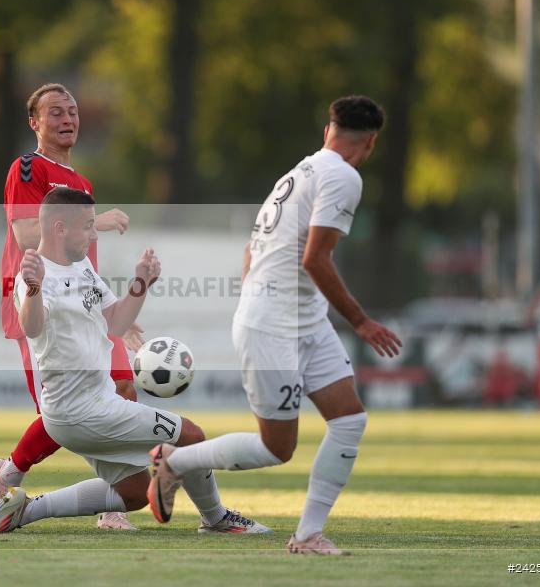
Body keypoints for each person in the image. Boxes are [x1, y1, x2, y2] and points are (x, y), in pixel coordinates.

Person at [146, 96, 401, 555]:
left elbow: (253, 246)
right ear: (372, 141)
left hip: (304, 319)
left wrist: (258, 294)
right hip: (274, 325)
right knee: (276, 448)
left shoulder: (301, 170)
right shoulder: (343, 177)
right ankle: (175, 461)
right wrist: (360, 322)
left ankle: (307, 536)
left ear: (329, 129)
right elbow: (315, 258)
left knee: (349, 421)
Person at [0, 188, 269, 535]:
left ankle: (25, 510)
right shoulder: (35, 274)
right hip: (82, 410)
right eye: (88, 227)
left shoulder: (79, 265)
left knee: (135, 493)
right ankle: (216, 518)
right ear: (59, 229)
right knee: (191, 436)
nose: (95, 234)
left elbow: (115, 321)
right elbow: (32, 325)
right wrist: (34, 290)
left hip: (89, 406)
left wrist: (141, 283)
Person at [0, 83, 143, 530]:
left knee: (122, 391)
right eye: (55, 112)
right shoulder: (28, 167)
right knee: (63, 413)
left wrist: (115, 315)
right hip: (40, 304)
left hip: (84, 306)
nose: (67, 119)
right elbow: (24, 235)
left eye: (72, 111)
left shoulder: (81, 182)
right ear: (34, 123)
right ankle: (10, 472)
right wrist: (97, 222)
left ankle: (113, 505)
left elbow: (81, 259)